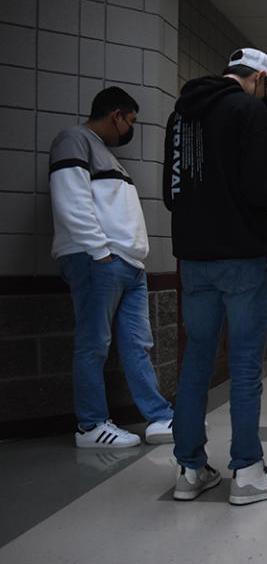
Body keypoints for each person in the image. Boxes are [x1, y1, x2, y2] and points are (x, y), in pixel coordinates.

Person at [163, 48, 267, 505]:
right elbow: (261, 187)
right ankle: (248, 471)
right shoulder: (249, 110)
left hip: (193, 259)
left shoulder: (180, 117)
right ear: (258, 77)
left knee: (196, 363)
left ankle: (190, 469)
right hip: (241, 255)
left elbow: (171, 191)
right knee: (243, 366)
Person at [50, 87, 175, 449]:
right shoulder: (74, 140)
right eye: (130, 121)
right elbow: (70, 196)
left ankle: (158, 417)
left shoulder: (104, 152)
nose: (129, 130)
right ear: (116, 114)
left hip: (128, 264)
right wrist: (98, 251)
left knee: (138, 345)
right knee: (93, 345)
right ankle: (91, 425)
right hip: (97, 261)